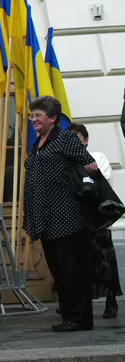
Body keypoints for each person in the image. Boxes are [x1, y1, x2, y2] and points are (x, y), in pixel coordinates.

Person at [22, 96, 97, 332]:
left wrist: (70, 184)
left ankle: (80, 319)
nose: (33, 119)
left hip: (67, 215)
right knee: (60, 271)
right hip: (47, 218)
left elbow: (90, 165)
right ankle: (68, 317)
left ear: (53, 118)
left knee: (73, 269)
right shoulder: (38, 143)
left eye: (38, 115)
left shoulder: (64, 138)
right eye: (32, 115)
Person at [67, 123, 122, 318]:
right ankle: (78, 302)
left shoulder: (97, 157)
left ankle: (111, 299)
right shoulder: (66, 163)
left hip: (97, 220)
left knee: (105, 261)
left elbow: (102, 181)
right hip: (76, 218)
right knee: (78, 262)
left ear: (86, 141)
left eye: (77, 139)